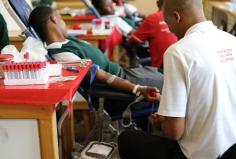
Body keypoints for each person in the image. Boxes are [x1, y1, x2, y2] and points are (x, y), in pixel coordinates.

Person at [118, 0, 236, 159]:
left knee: (127, 140)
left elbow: (173, 133)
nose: (170, 29)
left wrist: (161, 121)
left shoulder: (178, 52)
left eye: (167, 22)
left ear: (177, 16)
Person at [28, 6, 162, 101]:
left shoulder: (68, 41)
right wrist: (138, 89)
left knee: (163, 74)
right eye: (61, 18)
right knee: (171, 84)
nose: (64, 23)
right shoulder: (63, 55)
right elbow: (105, 77)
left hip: (126, 73)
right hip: (122, 83)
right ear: (53, 19)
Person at [126, 0, 177, 68]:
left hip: (160, 71)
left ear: (158, 3)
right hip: (179, 65)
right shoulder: (178, 17)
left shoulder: (153, 18)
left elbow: (131, 42)